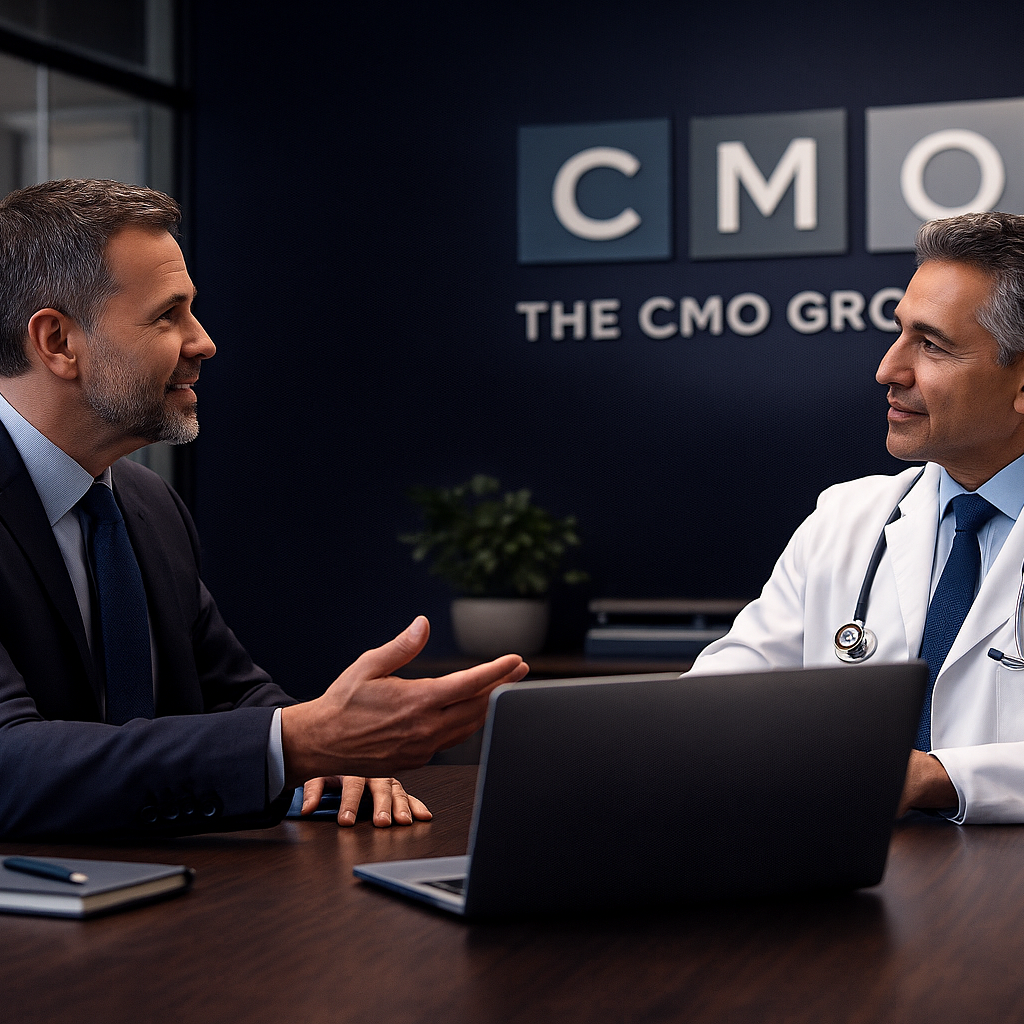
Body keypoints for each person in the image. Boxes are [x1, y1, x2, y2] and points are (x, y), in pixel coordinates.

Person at [0, 178, 527, 840]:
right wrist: (299, 742)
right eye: (167, 316)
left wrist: (329, 756)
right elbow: (9, 766)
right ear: (56, 342)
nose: (203, 342)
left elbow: (236, 696)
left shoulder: (146, 504)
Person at [690, 210, 1024, 825]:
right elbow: (722, 697)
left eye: (932, 345)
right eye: (900, 333)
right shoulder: (846, 517)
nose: (888, 371)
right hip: (850, 870)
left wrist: (940, 777)